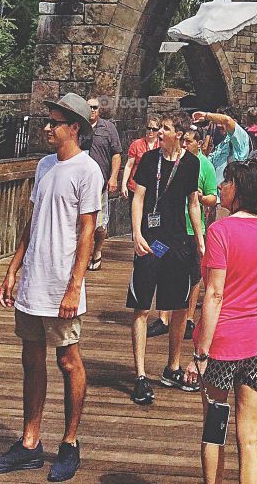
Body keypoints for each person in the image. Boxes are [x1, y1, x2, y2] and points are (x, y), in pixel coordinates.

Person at [0, 92, 102, 481]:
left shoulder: (88, 170)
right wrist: (12, 270)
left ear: (75, 129)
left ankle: (69, 443)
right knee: (31, 358)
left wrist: (75, 285)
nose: (47, 128)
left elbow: (87, 231)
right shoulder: (44, 165)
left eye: (54, 123)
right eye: (47, 121)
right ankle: (30, 442)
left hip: (62, 282)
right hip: (33, 278)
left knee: (68, 359)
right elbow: (31, 222)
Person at [184, 159, 257, 484]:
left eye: (227, 181)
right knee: (250, 437)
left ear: (239, 189)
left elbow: (214, 295)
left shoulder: (220, 231)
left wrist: (200, 353)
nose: (221, 186)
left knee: (214, 431)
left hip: (222, 345)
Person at [127, 110, 205, 405]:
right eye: (159, 128)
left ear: (180, 136)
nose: (159, 133)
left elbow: (193, 203)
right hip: (150, 242)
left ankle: (172, 366)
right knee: (141, 307)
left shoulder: (191, 163)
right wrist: (136, 234)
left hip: (176, 243)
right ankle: (140, 376)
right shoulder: (149, 160)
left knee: (178, 307)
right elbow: (139, 198)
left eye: (166, 129)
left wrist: (199, 239)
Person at [181, 124, 219, 342]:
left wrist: (201, 198)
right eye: (183, 140)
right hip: (173, 226)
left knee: (194, 275)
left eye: (189, 141)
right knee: (170, 271)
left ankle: (188, 317)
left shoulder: (205, 166)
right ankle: (166, 317)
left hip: (194, 228)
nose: (185, 144)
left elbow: (213, 197)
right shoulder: (175, 161)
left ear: (199, 143)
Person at [80, 96, 122, 271]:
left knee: (99, 224)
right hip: (80, 183)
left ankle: (97, 250)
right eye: (89, 107)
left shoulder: (108, 128)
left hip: (100, 184)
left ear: (100, 109)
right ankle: (81, 256)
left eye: (95, 107)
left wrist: (113, 177)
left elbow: (116, 154)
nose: (92, 110)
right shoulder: (78, 127)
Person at [193, 109, 250, 186]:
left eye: (221, 123)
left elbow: (227, 120)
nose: (218, 126)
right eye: (217, 123)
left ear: (235, 121)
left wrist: (206, 116)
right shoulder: (223, 143)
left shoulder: (241, 139)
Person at [121, 117, 161, 198]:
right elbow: (129, 165)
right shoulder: (136, 144)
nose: (151, 131)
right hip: (135, 185)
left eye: (154, 129)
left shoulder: (161, 145)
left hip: (154, 187)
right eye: (149, 128)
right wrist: (123, 184)